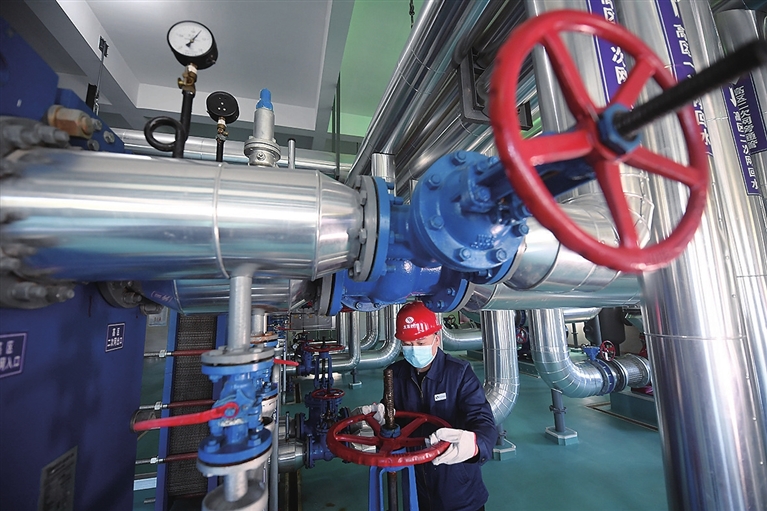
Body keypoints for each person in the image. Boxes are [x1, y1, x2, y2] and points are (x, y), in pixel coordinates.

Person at [357, 301, 497, 511]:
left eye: (421, 342)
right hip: (417, 484)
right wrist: (382, 418)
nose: (414, 350)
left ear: (436, 339)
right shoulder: (396, 374)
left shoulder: (459, 373)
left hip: (458, 487)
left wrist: (476, 445)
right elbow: (393, 415)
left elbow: (482, 419)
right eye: (407, 344)